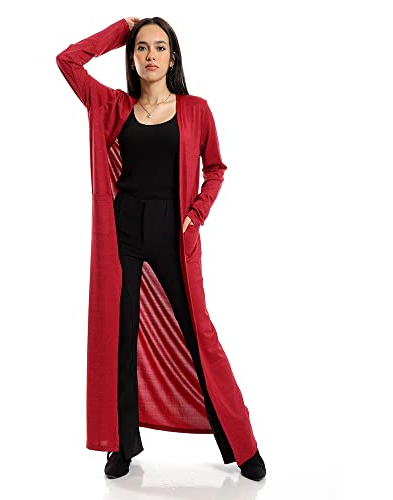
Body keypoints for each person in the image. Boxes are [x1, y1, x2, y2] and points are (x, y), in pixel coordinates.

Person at [56, 16, 266, 482]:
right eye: (141, 47)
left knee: (199, 334)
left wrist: (196, 214)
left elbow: (216, 168)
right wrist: (120, 29)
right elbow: (68, 61)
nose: (150, 55)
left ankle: (241, 443)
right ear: (132, 57)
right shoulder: (115, 105)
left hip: (174, 231)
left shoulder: (195, 109)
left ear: (173, 58)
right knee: (120, 333)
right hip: (123, 231)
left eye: (159, 47)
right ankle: (121, 444)